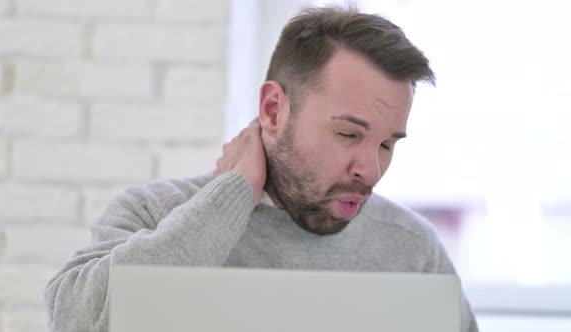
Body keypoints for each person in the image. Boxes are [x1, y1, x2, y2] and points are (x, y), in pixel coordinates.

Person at [45, 6, 478, 332]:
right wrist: (232, 196)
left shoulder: (413, 248)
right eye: (348, 134)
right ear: (273, 109)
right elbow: (74, 322)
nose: (371, 169)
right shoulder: (155, 212)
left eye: (387, 143)